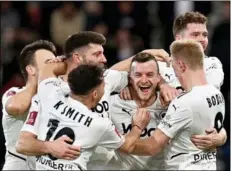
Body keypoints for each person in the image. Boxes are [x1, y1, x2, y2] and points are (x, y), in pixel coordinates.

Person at [17, 31, 174, 169]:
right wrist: (49, 147)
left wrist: (162, 83)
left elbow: (139, 74)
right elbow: (23, 144)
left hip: (108, 165)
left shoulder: (50, 90)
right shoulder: (51, 93)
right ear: (77, 57)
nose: (104, 59)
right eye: (97, 54)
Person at [120, 11, 227, 149]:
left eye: (204, 34)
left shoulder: (212, 65)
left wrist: (222, 136)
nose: (202, 39)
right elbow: (112, 74)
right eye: (195, 35)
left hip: (190, 149)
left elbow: (205, 105)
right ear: (178, 39)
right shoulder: (160, 65)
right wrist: (135, 84)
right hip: (159, 151)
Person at [125, 39, 226, 170]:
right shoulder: (216, 93)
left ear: (182, 66)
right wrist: (222, 136)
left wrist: (120, 141)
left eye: (174, 69)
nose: (175, 75)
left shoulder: (185, 102)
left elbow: (152, 146)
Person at [35, 62, 150, 170]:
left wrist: (64, 61)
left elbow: (47, 68)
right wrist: (138, 127)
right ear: (95, 94)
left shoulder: (50, 93)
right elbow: (126, 146)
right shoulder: (98, 124)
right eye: (103, 87)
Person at [1, 40, 80, 170]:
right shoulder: (14, 93)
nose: (53, 65)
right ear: (30, 69)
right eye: (48, 62)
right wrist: (41, 81)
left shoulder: (58, 94)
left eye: (54, 61)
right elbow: (16, 107)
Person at [110, 52, 171, 169]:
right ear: (130, 79)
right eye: (138, 75)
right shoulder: (112, 104)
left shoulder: (171, 105)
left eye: (149, 75)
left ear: (159, 77)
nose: (144, 81)